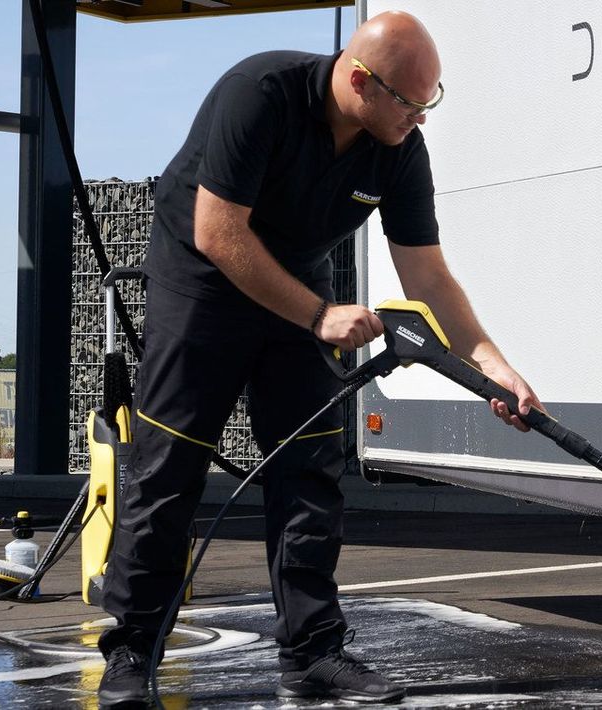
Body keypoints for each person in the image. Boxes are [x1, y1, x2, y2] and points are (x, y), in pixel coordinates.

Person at [95, 11, 541, 707]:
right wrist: (318, 316)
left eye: (431, 101)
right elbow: (218, 231)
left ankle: (312, 650)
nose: (421, 118)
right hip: (202, 282)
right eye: (410, 102)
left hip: (299, 284)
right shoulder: (259, 95)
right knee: (169, 468)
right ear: (360, 81)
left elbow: (427, 275)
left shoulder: (397, 147)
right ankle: (131, 650)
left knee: (309, 471)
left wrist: (491, 364)